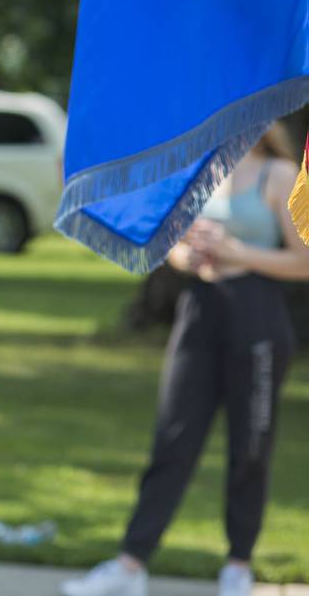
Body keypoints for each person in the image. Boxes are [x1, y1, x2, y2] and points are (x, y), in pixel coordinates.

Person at [60, 125, 309, 596]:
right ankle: (130, 566)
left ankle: (238, 567)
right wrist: (188, 256)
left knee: (250, 446)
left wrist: (240, 253)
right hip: (200, 310)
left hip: (257, 315)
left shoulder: (280, 175)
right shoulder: (200, 169)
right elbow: (170, 244)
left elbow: (306, 259)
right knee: (173, 438)